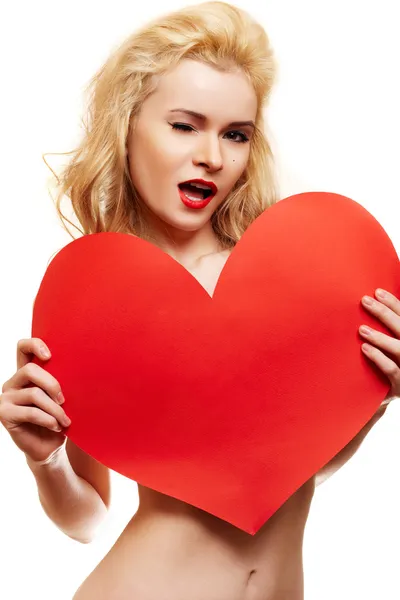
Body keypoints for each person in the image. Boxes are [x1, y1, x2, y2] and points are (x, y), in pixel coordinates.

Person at [0, 2, 396, 599]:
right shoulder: (94, 306)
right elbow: (86, 523)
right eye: (185, 125)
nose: (213, 155)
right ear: (128, 125)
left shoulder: (305, 287)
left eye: (235, 134)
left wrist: (377, 395)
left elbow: (304, 469)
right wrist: (43, 458)